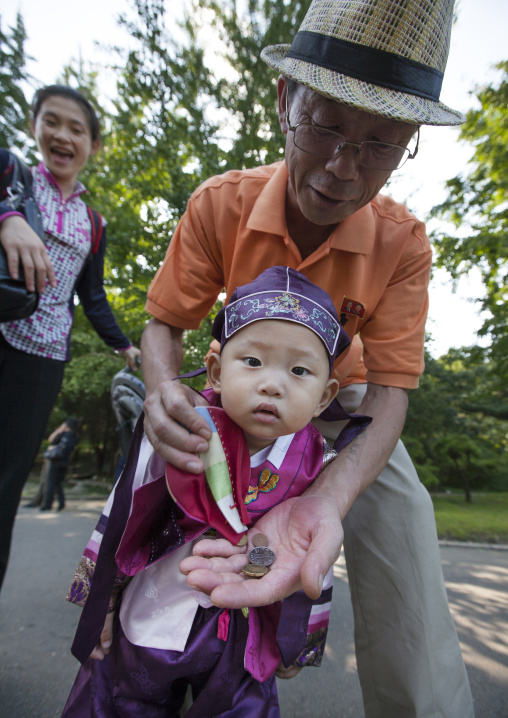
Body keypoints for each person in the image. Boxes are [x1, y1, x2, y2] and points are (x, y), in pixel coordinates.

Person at [139, 1, 475, 716]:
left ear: (410, 140)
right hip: (234, 399)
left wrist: (330, 494)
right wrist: (163, 389)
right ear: (285, 100)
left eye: (382, 144)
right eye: (324, 126)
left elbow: (388, 392)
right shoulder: (217, 205)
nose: (343, 169)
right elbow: (165, 324)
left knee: (410, 563)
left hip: (344, 412)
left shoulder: (405, 244)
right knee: (138, 529)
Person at [63, 267, 361, 717]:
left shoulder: (316, 462)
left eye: (299, 370)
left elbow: (316, 556)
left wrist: (301, 641)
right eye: (253, 362)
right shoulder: (182, 431)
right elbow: (123, 515)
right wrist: (101, 601)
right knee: (124, 703)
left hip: (246, 632)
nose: (272, 383)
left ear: (324, 397)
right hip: (155, 613)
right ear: (217, 371)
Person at [0, 85, 140, 590]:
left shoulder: (94, 223)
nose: (61, 135)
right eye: (51, 122)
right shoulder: (9, 175)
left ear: (93, 145)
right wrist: (8, 217)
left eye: (76, 128)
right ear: (35, 126)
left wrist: (125, 345)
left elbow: (93, 297)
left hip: (41, 357)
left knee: (7, 484)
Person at [40, 416, 79, 511]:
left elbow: (51, 440)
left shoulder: (63, 435)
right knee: (58, 483)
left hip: (56, 461)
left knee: (51, 483)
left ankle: (48, 504)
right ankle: (61, 502)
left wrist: (59, 430)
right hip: (65, 462)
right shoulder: (75, 437)